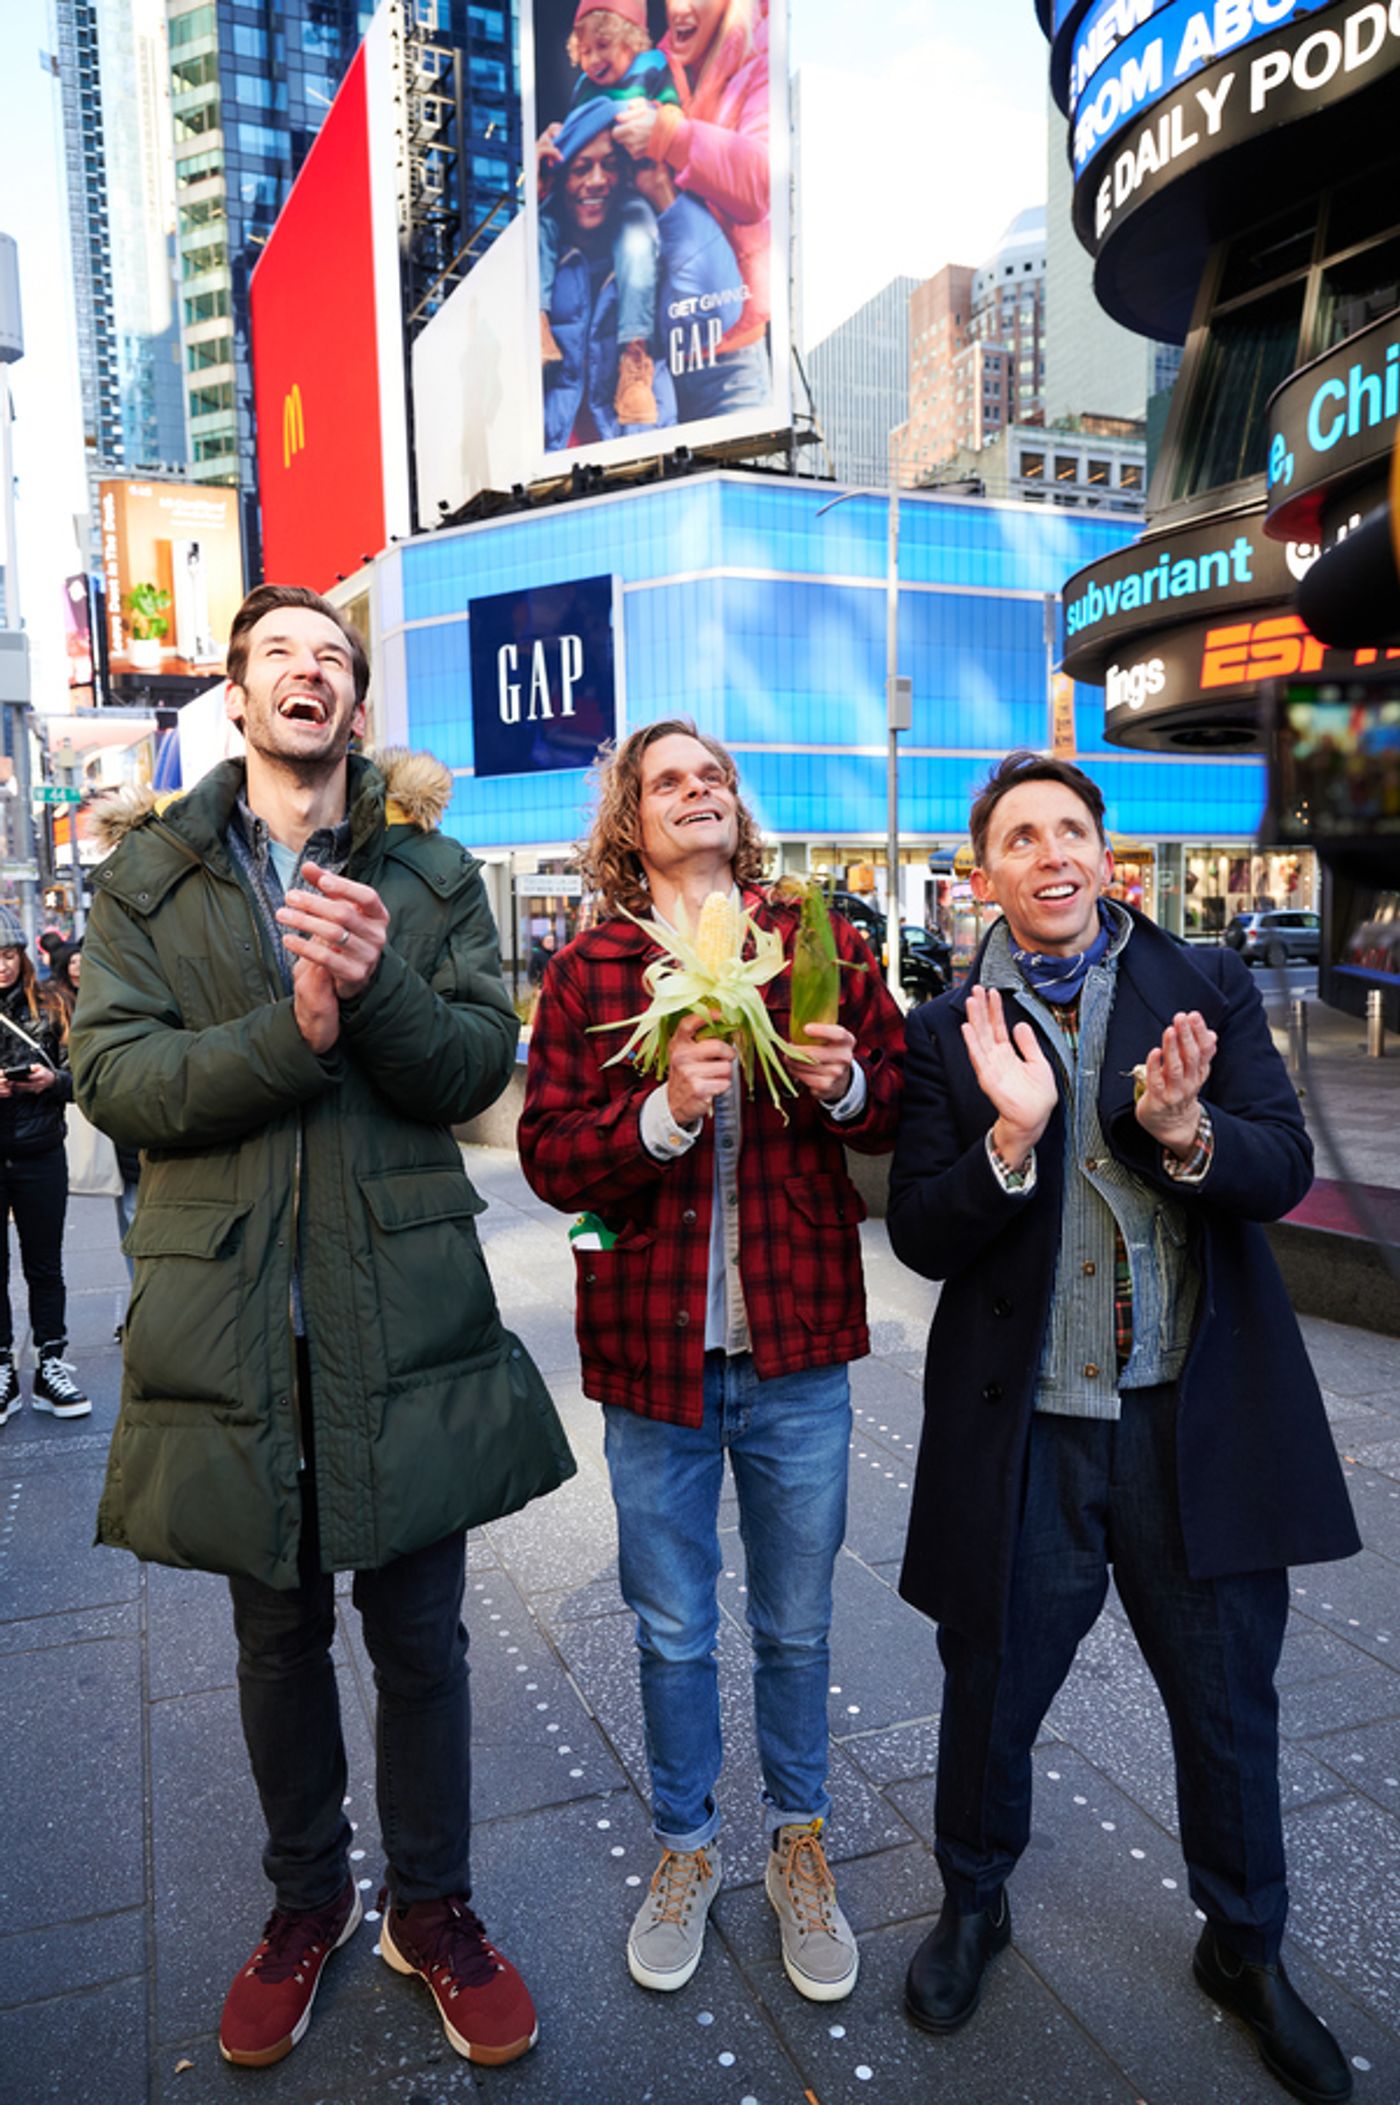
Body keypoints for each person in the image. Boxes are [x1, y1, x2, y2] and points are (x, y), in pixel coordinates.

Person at [71, 584, 575, 2072]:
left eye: (333, 660)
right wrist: (283, 1036)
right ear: (237, 698)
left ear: (356, 706)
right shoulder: (151, 878)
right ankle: (307, 1905)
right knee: (274, 1637)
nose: (309, 674)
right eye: (280, 655)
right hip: (232, 1313)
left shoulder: (425, 872)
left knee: (421, 1636)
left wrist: (374, 990)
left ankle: (432, 1907)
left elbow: (481, 1057)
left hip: (398, 1306)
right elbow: (117, 1076)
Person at [886, 752, 1360, 2103]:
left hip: (1190, 1421)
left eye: (1073, 831)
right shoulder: (945, 1031)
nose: (1053, 855)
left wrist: (1189, 1130)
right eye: (1022, 836)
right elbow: (921, 1228)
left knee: (1227, 1705)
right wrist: (1008, 1144)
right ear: (983, 873)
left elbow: (1282, 1166)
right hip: (1027, 1427)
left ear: (1109, 856)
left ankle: (1246, 1945)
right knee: (993, 1690)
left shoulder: (1202, 985)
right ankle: (974, 1904)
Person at [518, 720, 904, 2004]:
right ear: (630, 824)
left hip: (797, 1348)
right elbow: (551, 1156)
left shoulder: (818, 942)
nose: (695, 794)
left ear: (739, 811)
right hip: (653, 1360)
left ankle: (799, 1840)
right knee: (674, 1630)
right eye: (665, 781)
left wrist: (846, 1088)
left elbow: (901, 1099)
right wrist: (662, 1113)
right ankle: (685, 1846)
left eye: (713, 778)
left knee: (793, 1624)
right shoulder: (592, 972)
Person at [537, 0, 680, 423]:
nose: (595, 59)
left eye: (604, 46)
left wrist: (654, 119)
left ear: (632, 41)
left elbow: (671, 115)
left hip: (632, 193)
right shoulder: (583, 87)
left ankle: (634, 357)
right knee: (542, 225)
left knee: (637, 238)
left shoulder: (652, 68)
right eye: (586, 50)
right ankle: (538, 325)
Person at [611, 0, 771, 362]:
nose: (679, 10)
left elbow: (762, 184)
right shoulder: (651, 64)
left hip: (734, 352)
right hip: (660, 350)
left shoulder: (764, 54)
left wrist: (672, 137)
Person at [0, 906, 89, 1425]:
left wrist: (51, 1083)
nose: (3, 966)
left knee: (44, 1265)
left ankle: (50, 1363)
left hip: (40, 1153)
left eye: (9, 955)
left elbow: (88, 1078)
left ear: (23, 957)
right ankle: (3, 1368)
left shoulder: (54, 1004)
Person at [542, 115, 679, 450]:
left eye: (611, 165)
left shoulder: (650, 242)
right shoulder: (537, 245)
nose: (597, 180)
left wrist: (663, 193)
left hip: (637, 454)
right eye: (580, 168)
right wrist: (529, 193)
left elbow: (719, 303)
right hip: (549, 467)